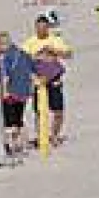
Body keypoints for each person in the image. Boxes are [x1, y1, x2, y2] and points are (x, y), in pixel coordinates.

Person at [23, 14, 72, 147]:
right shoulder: (30, 42)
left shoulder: (55, 40)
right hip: (38, 80)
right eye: (39, 28)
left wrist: (54, 51)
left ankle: (55, 135)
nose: (41, 31)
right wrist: (37, 56)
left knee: (58, 110)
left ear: (48, 28)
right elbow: (23, 60)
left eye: (44, 28)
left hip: (54, 79)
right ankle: (41, 136)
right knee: (39, 111)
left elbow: (68, 54)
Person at [0, 32, 35, 155]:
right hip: (24, 92)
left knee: (9, 122)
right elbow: (32, 71)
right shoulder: (24, 54)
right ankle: (22, 145)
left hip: (10, 93)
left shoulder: (4, 58)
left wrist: (4, 92)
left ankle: (11, 146)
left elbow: (5, 77)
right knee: (19, 119)